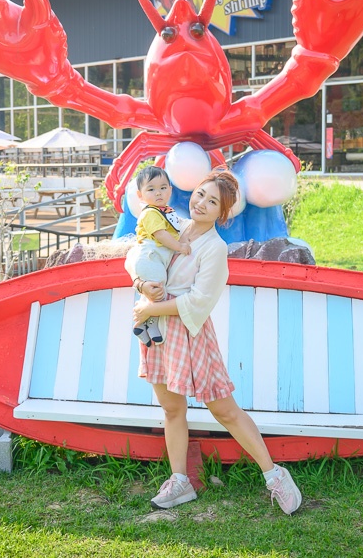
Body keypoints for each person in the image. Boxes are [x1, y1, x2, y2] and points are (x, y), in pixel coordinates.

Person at [133, 169, 303, 515]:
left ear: (222, 213)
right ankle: (179, 481)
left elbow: (197, 302)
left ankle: (275, 476)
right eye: (200, 194)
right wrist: (140, 284)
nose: (202, 203)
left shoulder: (215, 248)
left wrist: (151, 306)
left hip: (190, 332)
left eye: (213, 202)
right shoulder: (174, 225)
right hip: (159, 328)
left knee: (224, 409)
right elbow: (138, 252)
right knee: (171, 408)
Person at [125, 166, 190, 347]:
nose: (158, 193)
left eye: (163, 187)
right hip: (149, 256)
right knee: (159, 292)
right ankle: (150, 324)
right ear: (140, 195)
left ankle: (140, 327)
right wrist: (180, 247)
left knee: (154, 292)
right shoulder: (150, 213)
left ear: (170, 189)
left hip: (155, 258)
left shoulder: (166, 211)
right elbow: (161, 235)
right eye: (151, 189)